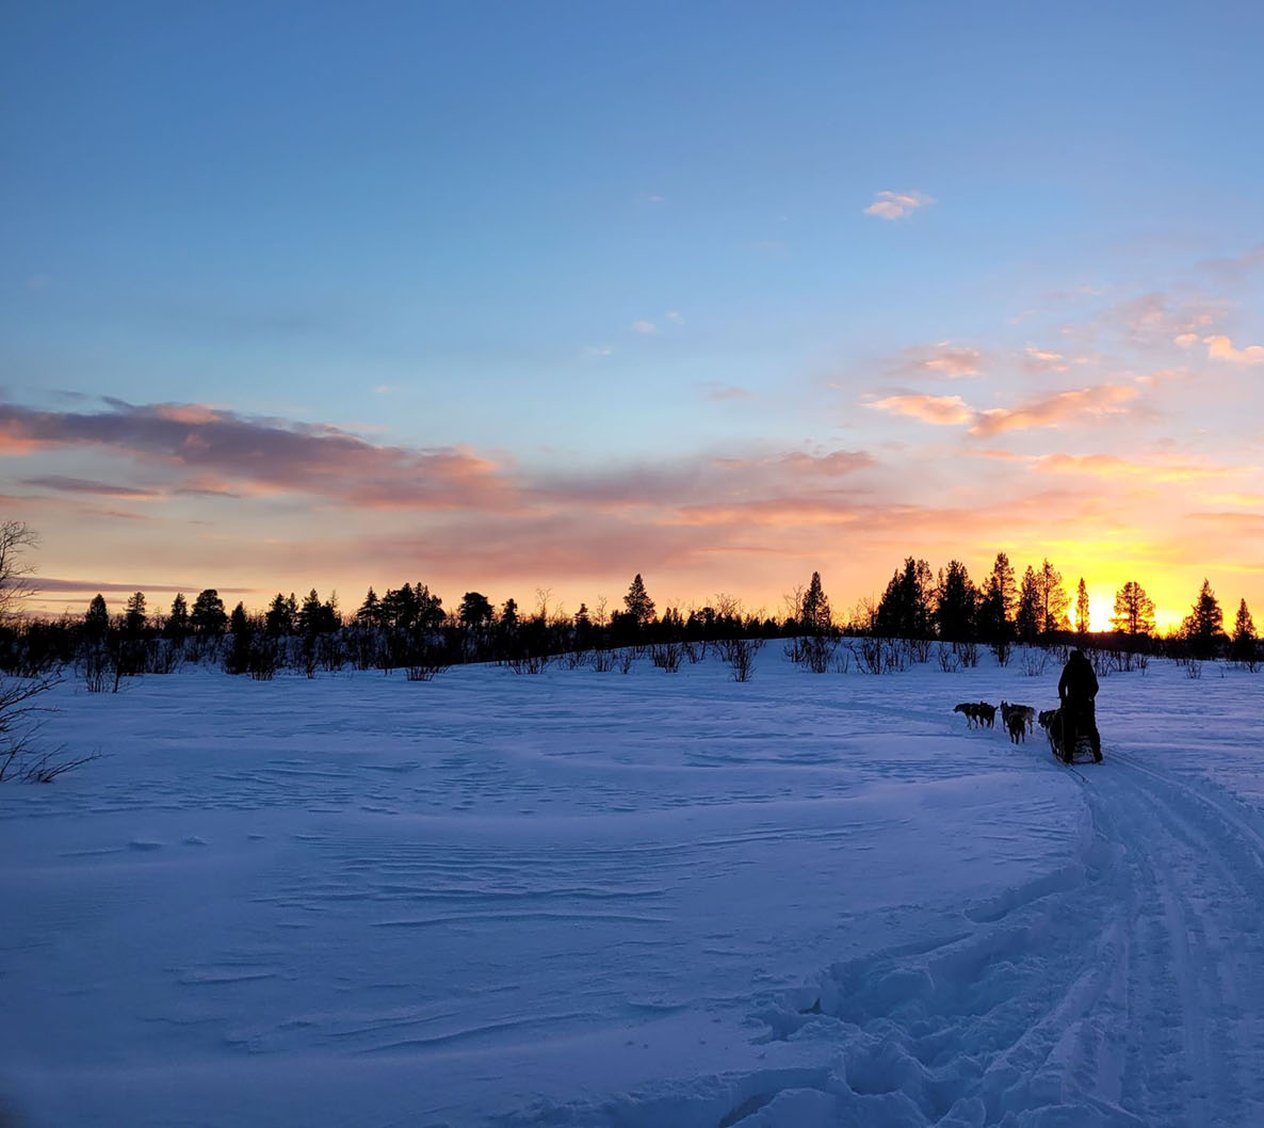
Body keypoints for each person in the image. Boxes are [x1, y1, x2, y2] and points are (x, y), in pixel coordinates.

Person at [1057, 648, 1101, 762]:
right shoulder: (1087, 667)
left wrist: (1064, 700)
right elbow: (1095, 686)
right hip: (1087, 703)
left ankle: (1068, 756)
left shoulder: (1069, 667)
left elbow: (1061, 685)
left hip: (1072, 702)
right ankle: (1097, 754)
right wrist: (1090, 697)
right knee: (1091, 728)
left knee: (1068, 729)